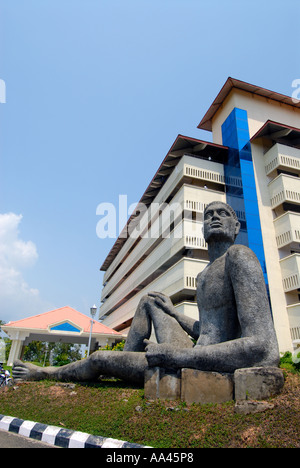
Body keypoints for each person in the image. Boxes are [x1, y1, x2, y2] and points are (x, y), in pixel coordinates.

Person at [12, 201, 279, 385]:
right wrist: (173, 313)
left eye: (223, 213)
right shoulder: (204, 275)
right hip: (198, 350)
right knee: (152, 299)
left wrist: (177, 356)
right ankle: (129, 364)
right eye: (208, 215)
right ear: (203, 230)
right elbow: (206, 330)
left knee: (99, 358)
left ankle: (48, 373)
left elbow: (263, 347)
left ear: (235, 228)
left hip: (207, 361)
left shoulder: (239, 257)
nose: (215, 217)